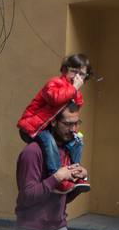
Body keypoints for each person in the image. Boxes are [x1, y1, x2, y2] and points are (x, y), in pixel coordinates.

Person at [17, 54, 92, 195]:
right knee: (50, 143)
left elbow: (76, 106)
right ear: (64, 69)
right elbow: (55, 99)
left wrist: (75, 91)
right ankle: (58, 179)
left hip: (48, 127)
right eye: (74, 71)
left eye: (82, 74)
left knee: (78, 141)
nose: (77, 77)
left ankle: (75, 174)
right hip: (34, 128)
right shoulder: (54, 83)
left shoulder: (75, 91)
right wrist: (74, 88)